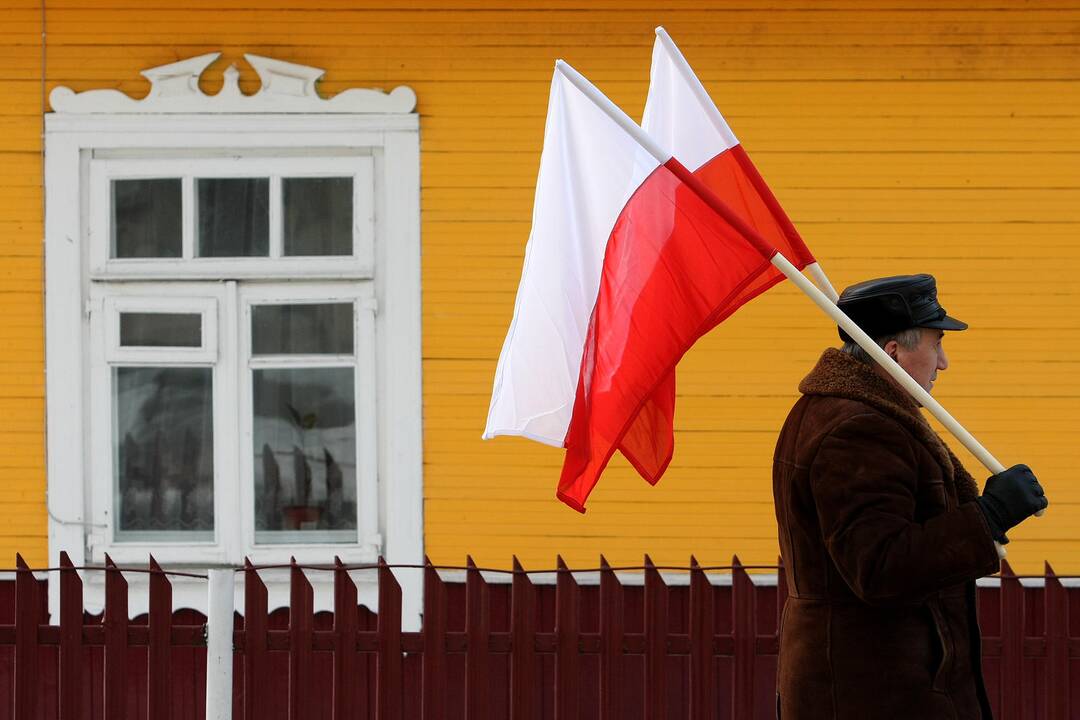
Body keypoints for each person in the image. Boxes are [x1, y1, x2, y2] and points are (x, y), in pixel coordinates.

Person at [772, 274, 1048, 719]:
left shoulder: (848, 411)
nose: (943, 363)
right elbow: (880, 567)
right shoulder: (859, 430)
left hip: (872, 682)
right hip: (873, 690)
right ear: (893, 352)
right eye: (936, 344)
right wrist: (989, 516)